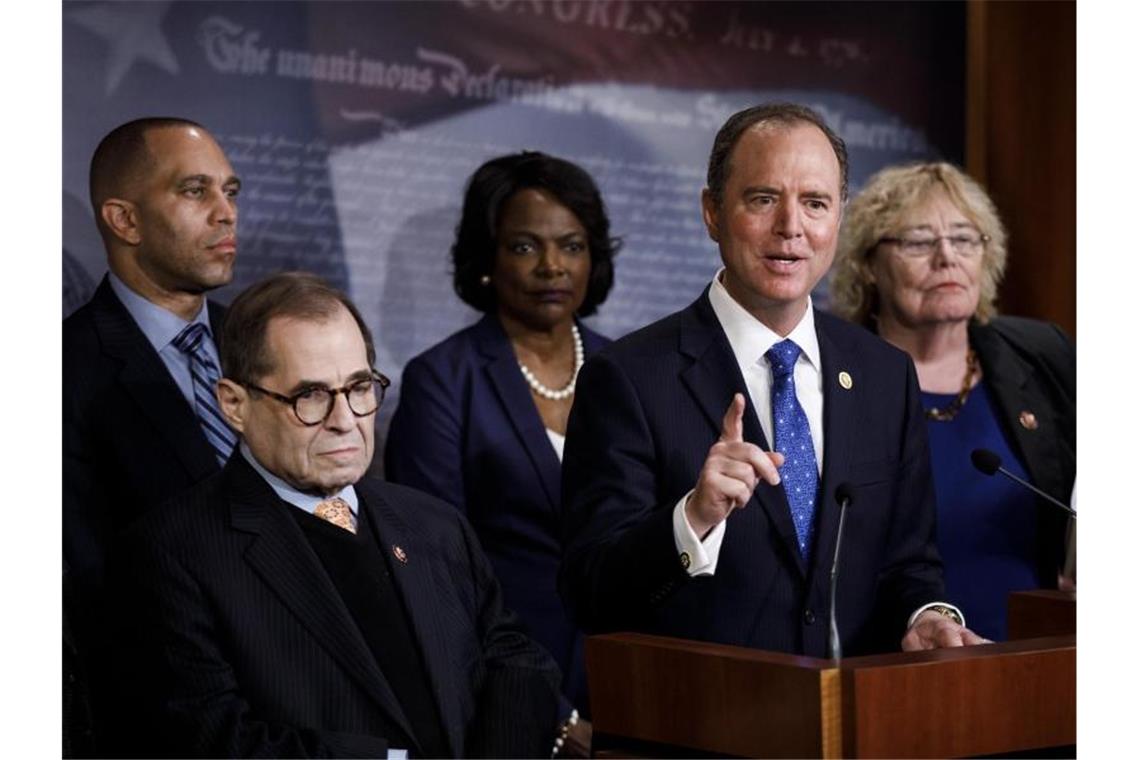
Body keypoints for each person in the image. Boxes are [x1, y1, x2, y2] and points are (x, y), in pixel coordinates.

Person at [560, 102, 987, 658]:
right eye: (763, 199)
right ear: (712, 212)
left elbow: (909, 563)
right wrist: (693, 517)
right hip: (702, 732)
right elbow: (589, 594)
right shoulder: (628, 377)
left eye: (814, 203)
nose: (791, 228)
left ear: (838, 218)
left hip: (854, 728)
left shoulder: (884, 373)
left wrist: (924, 614)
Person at [112, 272, 562, 758]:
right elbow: (210, 738)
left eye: (359, 387)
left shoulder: (433, 524)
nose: (345, 419)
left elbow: (517, 660)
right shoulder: (175, 552)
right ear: (235, 404)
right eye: (311, 396)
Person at [385, 151, 618, 754]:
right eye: (524, 247)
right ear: (487, 258)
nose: (551, 266)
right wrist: (558, 719)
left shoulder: (626, 372)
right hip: (505, 698)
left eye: (571, 245)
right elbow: (435, 576)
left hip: (626, 684)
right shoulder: (443, 379)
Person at [829, 162, 1076, 640]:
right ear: (868, 265)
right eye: (918, 242)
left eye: (965, 239)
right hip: (892, 665)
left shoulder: (1043, 355)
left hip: (1038, 660)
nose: (947, 258)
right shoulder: (834, 374)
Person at [62, 117, 240, 747]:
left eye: (231, 191)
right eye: (196, 191)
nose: (226, 214)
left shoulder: (264, 342)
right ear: (124, 220)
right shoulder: (63, 372)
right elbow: (86, 590)